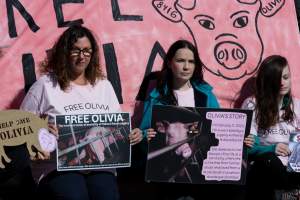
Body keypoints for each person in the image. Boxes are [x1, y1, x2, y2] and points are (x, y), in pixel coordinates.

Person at [20, 25, 142, 200]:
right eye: (75, 50)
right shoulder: (45, 85)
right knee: (74, 195)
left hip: (101, 165)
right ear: (64, 52)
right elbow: (23, 126)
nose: (82, 56)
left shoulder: (103, 85)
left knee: (106, 195)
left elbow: (117, 124)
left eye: (86, 51)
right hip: (57, 166)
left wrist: (131, 134)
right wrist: (41, 129)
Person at [241, 55, 300, 200]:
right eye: (276, 78)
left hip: (293, 168)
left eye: (285, 77)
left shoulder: (297, 105)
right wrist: (271, 149)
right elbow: (249, 147)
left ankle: (289, 192)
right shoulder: (252, 104)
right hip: (264, 166)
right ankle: (291, 193)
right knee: (269, 160)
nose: (282, 83)